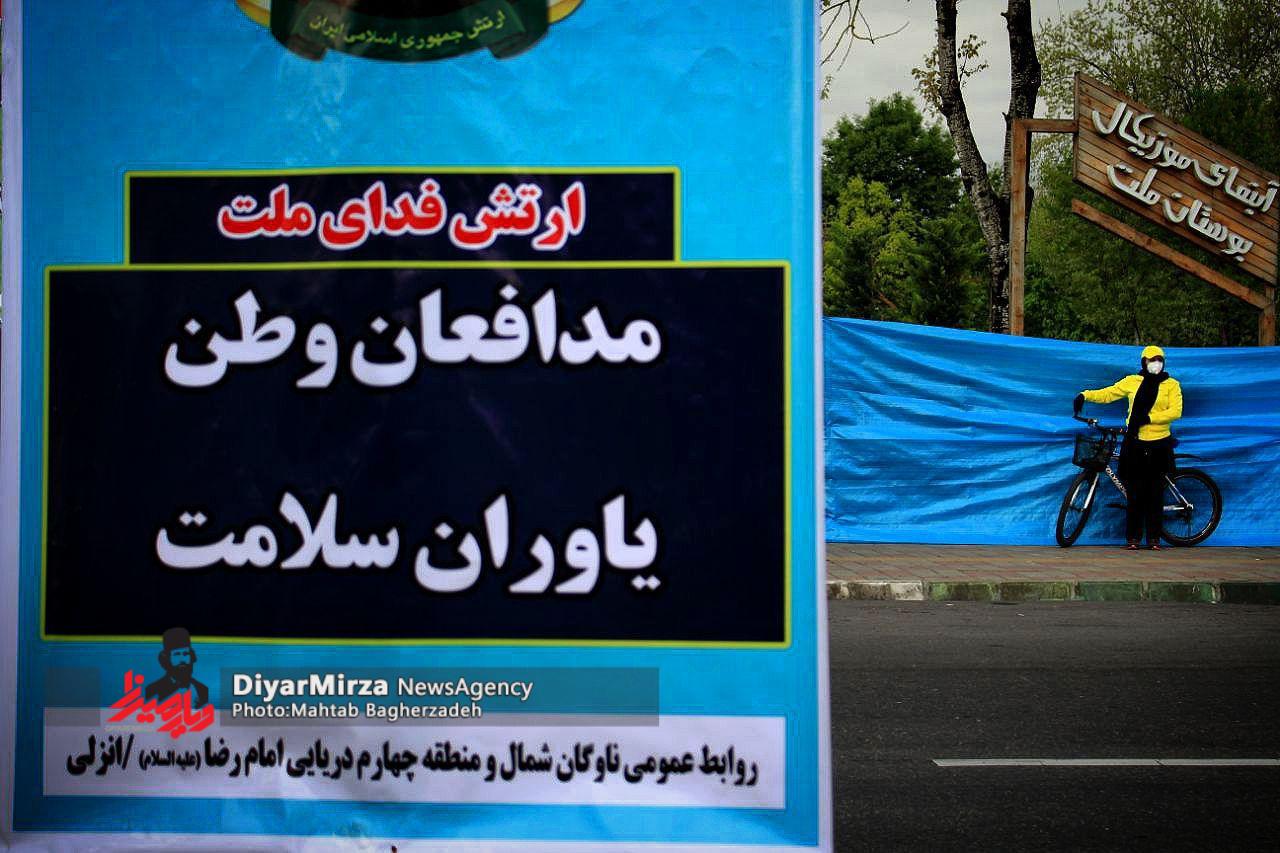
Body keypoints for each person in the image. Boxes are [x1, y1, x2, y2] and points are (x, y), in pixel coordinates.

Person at [1074, 345, 1183, 551]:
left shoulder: (1172, 385)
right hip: (1135, 441)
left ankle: (1154, 539)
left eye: (1159, 359)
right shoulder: (1132, 381)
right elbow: (1109, 394)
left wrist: (1149, 418)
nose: (1155, 364)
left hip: (1159, 443)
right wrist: (1084, 395)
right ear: (1143, 362)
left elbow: (1176, 411)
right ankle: (1133, 538)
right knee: (1134, 491)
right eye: (1151, 360)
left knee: (1155, 492)